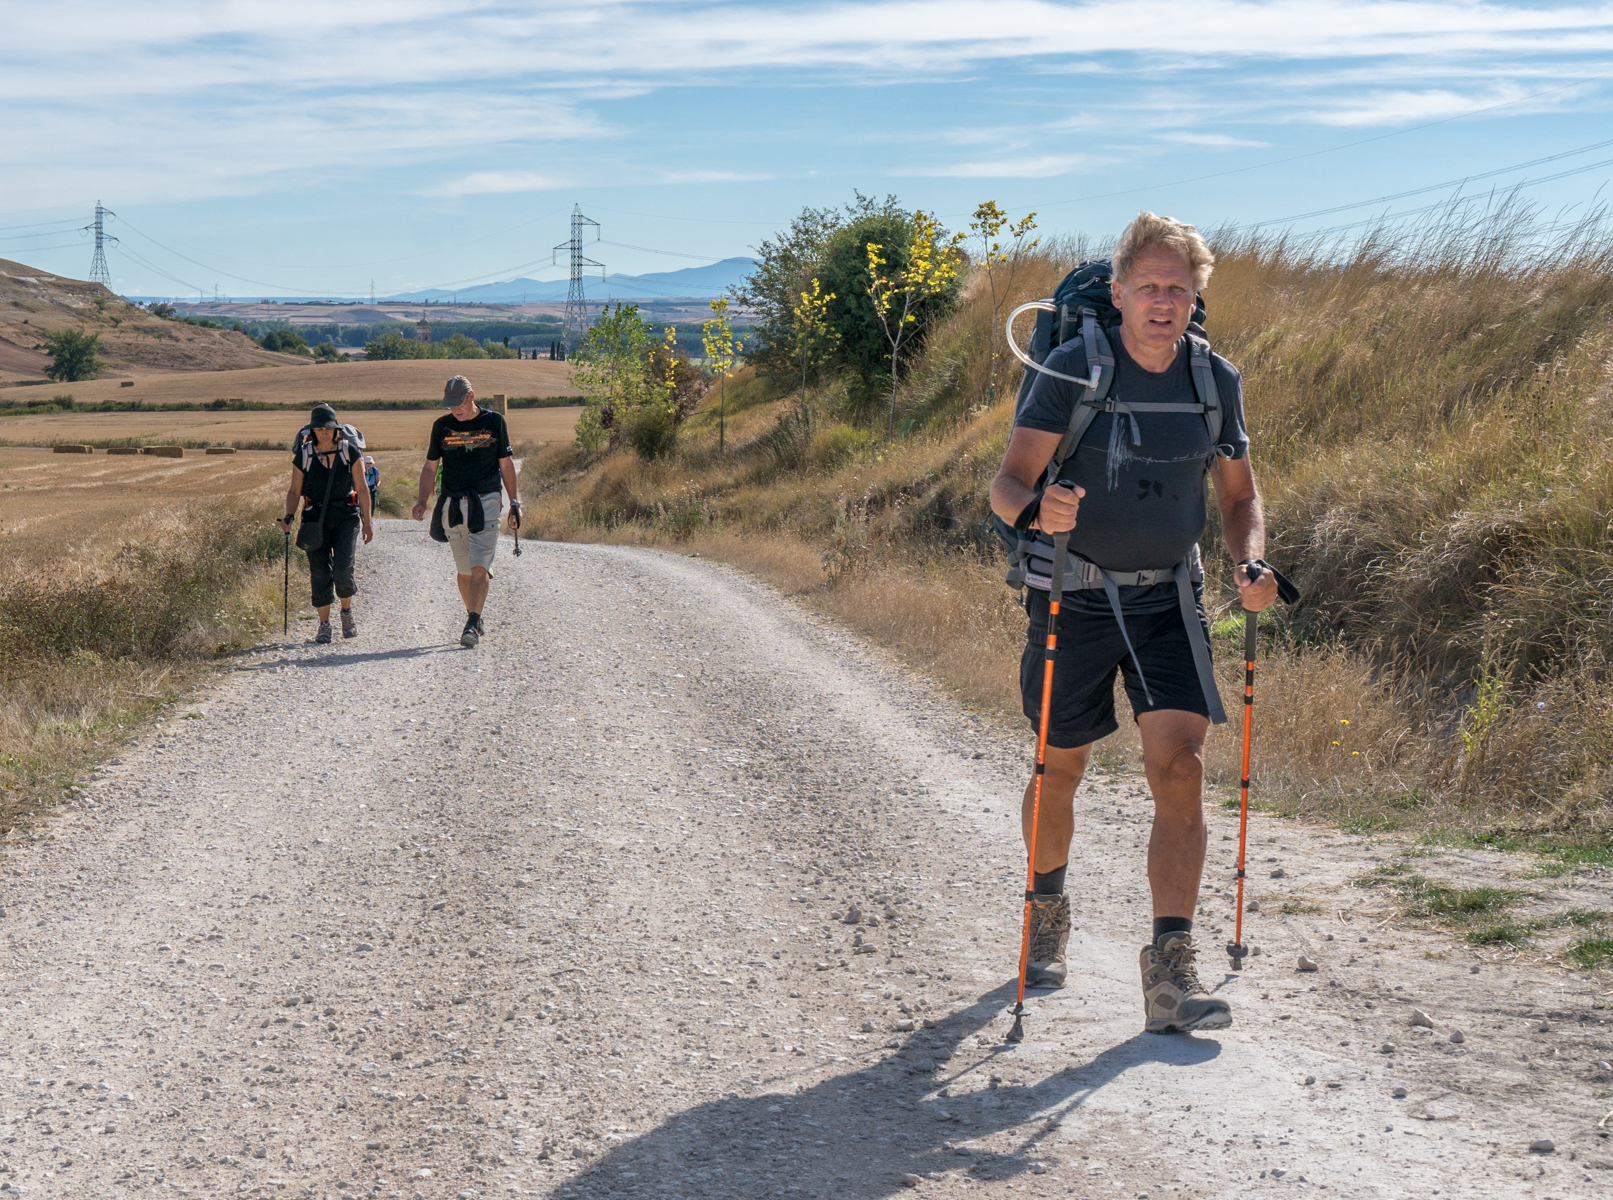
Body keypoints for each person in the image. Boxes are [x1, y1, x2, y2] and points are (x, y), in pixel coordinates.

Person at [988, 212, 1279, 1034]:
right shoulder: (1072, 371)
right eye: (1147, 287)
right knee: (1058, 767)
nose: (1162, 302)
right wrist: (1038, 508)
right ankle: (1046, 910)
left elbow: (1239, 497)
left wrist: (1248, 561)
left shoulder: (1211, 380)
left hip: (1167, 602)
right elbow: (1006, 486)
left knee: (1180, 767)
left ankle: (1169, 971)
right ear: (1117, 293)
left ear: (1195, 299)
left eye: (1177, 290)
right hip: (1070, 596)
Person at [411, 375, 521, 648]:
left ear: (471, 397)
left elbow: (506, 466)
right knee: (464, 571)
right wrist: (423, 500)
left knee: (479, 565)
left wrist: (515, 502)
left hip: (486, 502)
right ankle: (473, 615)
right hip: (452, 503)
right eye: (450, 405)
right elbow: (430, 467)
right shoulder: (442, 427)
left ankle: (473, 620)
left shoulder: (494, 422)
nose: (454, 410)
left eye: (458, 403)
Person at [277, 403, 374, 644]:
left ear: (335, 430)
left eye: (328, 429)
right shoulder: (305, 455)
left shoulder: (349, 451)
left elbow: (362, 489)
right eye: (319, 429)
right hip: (314, 519)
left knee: (343, 568)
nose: (324, 433)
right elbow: (294, 491)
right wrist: (288, 516)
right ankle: (323, 625)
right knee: (319, 572)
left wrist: (368, 522)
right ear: (312, 431)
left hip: (346, 518)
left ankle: (346, 613)